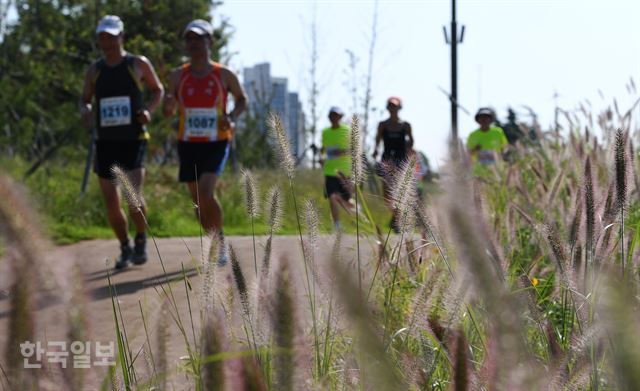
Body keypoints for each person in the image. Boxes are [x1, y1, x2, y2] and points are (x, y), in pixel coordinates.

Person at [80, 15, 164, 270]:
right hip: (105, 143)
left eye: (111, 36)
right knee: (111, 202)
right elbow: (84, 99)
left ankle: (140, 237)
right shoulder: (95, 70)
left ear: (121, 37)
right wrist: (85, 110)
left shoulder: (137, 64)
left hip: (133, 140)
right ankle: (125, 246)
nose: (107, 41)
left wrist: (148, 110)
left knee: (133, 198)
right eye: (102, 37)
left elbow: (157, 90)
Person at [163, 19, 247, 264]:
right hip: (188, 143)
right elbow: (168, 110)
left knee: (207, 192)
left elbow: (242, 99)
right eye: (189, 39)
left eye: (199, 38)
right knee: (198, 203)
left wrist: (231, 117)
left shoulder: (224, 74)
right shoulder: (178, 75)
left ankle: (220, 244)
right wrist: (168, 105)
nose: (193, 43)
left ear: (210, 41)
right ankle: (212, 238)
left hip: (216, 142)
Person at [372, 96, 414, 233]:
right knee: (387, 194)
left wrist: (409, 151)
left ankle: (398, 221)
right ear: (387, 108)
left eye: (395, 106)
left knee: (400, 192)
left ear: (399, 107)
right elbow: (377, 141)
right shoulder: (383, 125)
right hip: (386, 160)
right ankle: (396, 217)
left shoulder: (405, 125)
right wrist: (375, 151)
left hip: (401, 162)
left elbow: (411, 141)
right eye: (390, 106)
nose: (393, 108)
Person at [320, 106, 354, 232]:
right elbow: (323, 149)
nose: (334, 118)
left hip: (345, 172)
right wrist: (322, 157)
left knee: (347, 201)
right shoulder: (325, 132)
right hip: (329, 171)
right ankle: (337, 225)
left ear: (340, 117)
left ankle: (358, 216)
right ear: (329, 117)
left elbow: (353, 149)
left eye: (336, 115)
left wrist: (338, 152)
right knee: (332, 197)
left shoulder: (347, 130)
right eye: (332, 115)